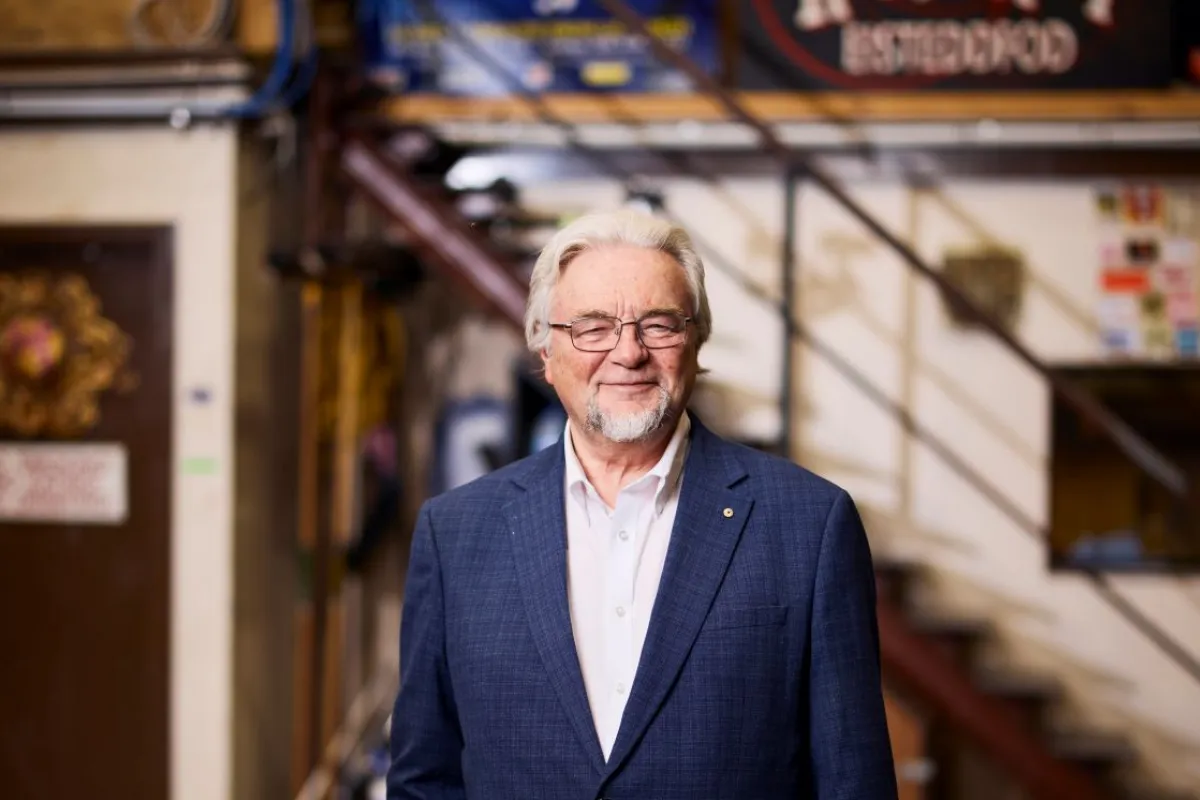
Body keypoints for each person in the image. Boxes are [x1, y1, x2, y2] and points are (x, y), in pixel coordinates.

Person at [388, 208, 898, 799]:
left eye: (659, 325)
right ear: (546, 355)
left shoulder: (809, 527)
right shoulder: (455, 535)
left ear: (697, 344)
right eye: (593, 327)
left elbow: (853, 783)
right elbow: (423, 782)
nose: (628, 353)